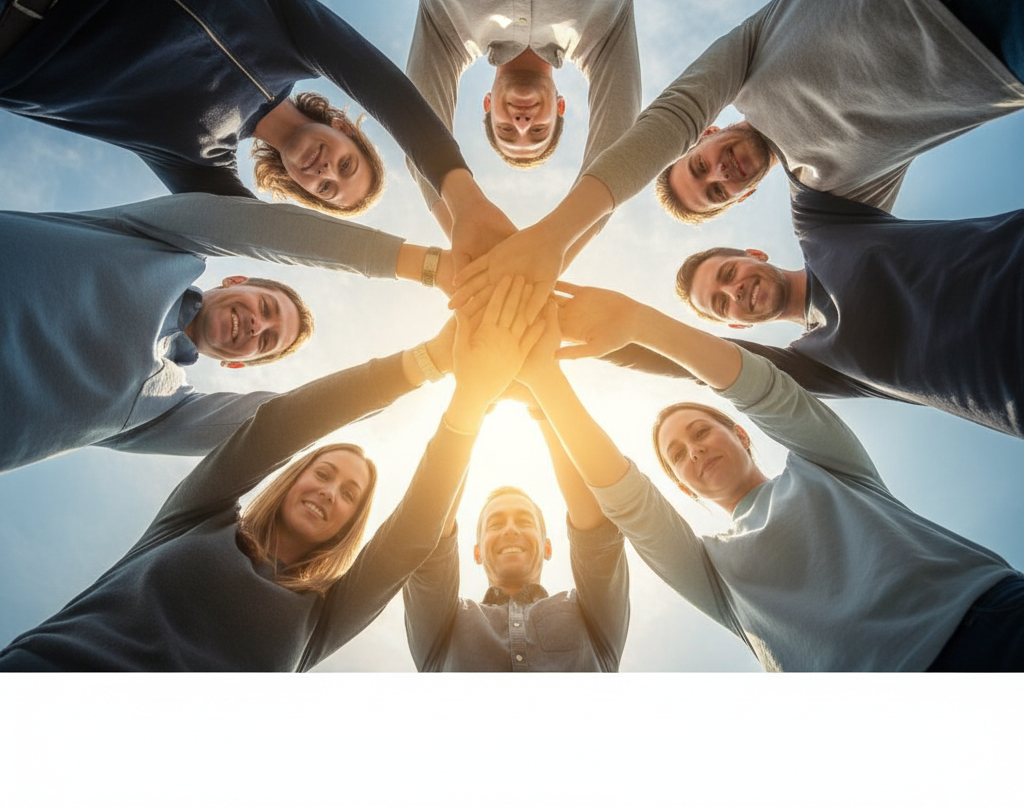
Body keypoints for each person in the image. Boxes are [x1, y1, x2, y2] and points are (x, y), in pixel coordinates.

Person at [450, 0, 1024, 302]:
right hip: (1001, 53)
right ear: (744, 199)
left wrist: (554, 240)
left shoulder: (745, 67)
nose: (722, 174)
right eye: (720, 191)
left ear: (709, 132)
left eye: (700, 166)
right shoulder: (836, 189)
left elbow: (668, 117)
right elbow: (838, 295)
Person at [0, 277, 547, 670]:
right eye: (324, 473)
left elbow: (413, 534)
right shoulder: (199, 517)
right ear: (292, 478)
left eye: (350, 495)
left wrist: (471, 403)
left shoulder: (324, 616)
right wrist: (428, 360)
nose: (330, 492)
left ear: (349, 526)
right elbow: (279, 426)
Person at [518, 296, 1024, 671]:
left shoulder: (823, 464)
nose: (694, 450)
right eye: (677, 456)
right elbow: (630, 503)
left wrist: (638, 322)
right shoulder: (710, 569)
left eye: (701, 432)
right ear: (683, 487)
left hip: (992, 617)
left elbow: (766, 391)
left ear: (739, 434)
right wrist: (545, 379)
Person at [0, 0, 513, 262]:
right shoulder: (294, 43)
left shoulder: (199, 165)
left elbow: (255, 234)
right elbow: (382, 84)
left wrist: (421, 267)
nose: (325, 173)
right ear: (341, 128)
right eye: (346, 165)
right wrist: (461, 198)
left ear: (296, 190)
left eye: (326, 190)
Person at [0, 191, 458, 474]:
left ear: (237, 363)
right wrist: (429, 266)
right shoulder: (164, 246)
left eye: (265, 339)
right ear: (236, 279)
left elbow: (286, 420)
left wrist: (429, 361)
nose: (258, 324)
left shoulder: (163, 409)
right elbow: (266, 230)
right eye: (266, 307)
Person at [581, 180, 1024, 439]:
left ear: (754, 253)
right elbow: (687, 359)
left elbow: (806, 126)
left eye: (728, 273)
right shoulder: (813, 362)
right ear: (732, 322)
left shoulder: (822, 224)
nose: (734, 291)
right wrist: (582, 334)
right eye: (721, 303)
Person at [403, 0, 650, 244]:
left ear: (488, 103)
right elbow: (619, 147)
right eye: (538, 131)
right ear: (560, 106)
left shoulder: (447, 33)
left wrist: (459, 228)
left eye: (506, 129)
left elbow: (416, 132)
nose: (521, 123)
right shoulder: (603, 36)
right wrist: (556, 246)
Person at [402, 387, 630, 671]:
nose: (510, 529)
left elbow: (597, 534)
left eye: (524, 521)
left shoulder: (590, 613)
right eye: (495, 524)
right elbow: (429, 535)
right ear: (477, 552)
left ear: (547, 546)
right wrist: (473, 405)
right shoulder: (444, 622)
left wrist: (541, 406)